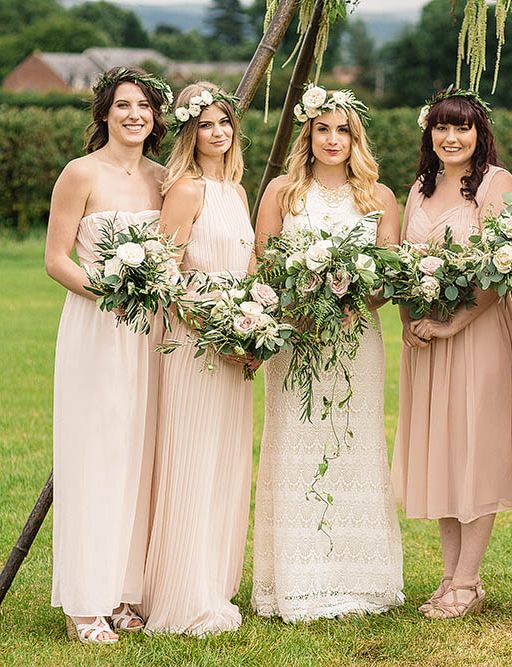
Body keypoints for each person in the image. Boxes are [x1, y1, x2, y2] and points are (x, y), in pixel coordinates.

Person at [251, 85, 404, 622]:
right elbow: (262, 266)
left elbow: (387, 276)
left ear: (355, 136)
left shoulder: (380, 197)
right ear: (308, 135)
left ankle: (358, 578)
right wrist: (297, 306)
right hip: (294, 337)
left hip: (355, 337)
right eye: (323, 129)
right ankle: (296, 578)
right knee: (294, 439)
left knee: (352, 442)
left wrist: (350, 300)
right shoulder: (281, 192)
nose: (333, 139)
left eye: (343, 130)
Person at [392, 87, 512, 620]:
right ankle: (449, 575)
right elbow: (405, 264)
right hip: (427, 340)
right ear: (429, 133)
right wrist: (411, 320)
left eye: (462, 128)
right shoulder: (418, 188)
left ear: (480, 134)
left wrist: (455, 323)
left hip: (476, 334)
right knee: (445, 449)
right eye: (441, 128)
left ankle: (470, 581)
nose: (451, 138)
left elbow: (506, 266)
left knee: (475, 449)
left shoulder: (496, 184)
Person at [44, 66, 170, 644]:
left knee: (140, 457)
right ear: (103, 114)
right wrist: (109, 290)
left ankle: (123, 591)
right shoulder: (80, 173)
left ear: (156, 117)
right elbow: (57, 258)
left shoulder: (163, 179)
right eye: (122, 105)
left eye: (143, 106)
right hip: (98, 328)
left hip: (151, 334)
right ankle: (84, 601)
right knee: (96, 454)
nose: (133, 115)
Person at [141, 82, 256, 636]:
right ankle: (183, 596)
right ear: (190, 131)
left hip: (237, 349)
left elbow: (248, 272)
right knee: (190, 460)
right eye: (207, 124)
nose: (219, 132)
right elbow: (165, 276)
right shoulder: (186, 190)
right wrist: (218, 326)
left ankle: (213, 582)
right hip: (194, 347)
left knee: (224, 465)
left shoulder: (234, 191)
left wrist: (254, 328)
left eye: (225, 123)